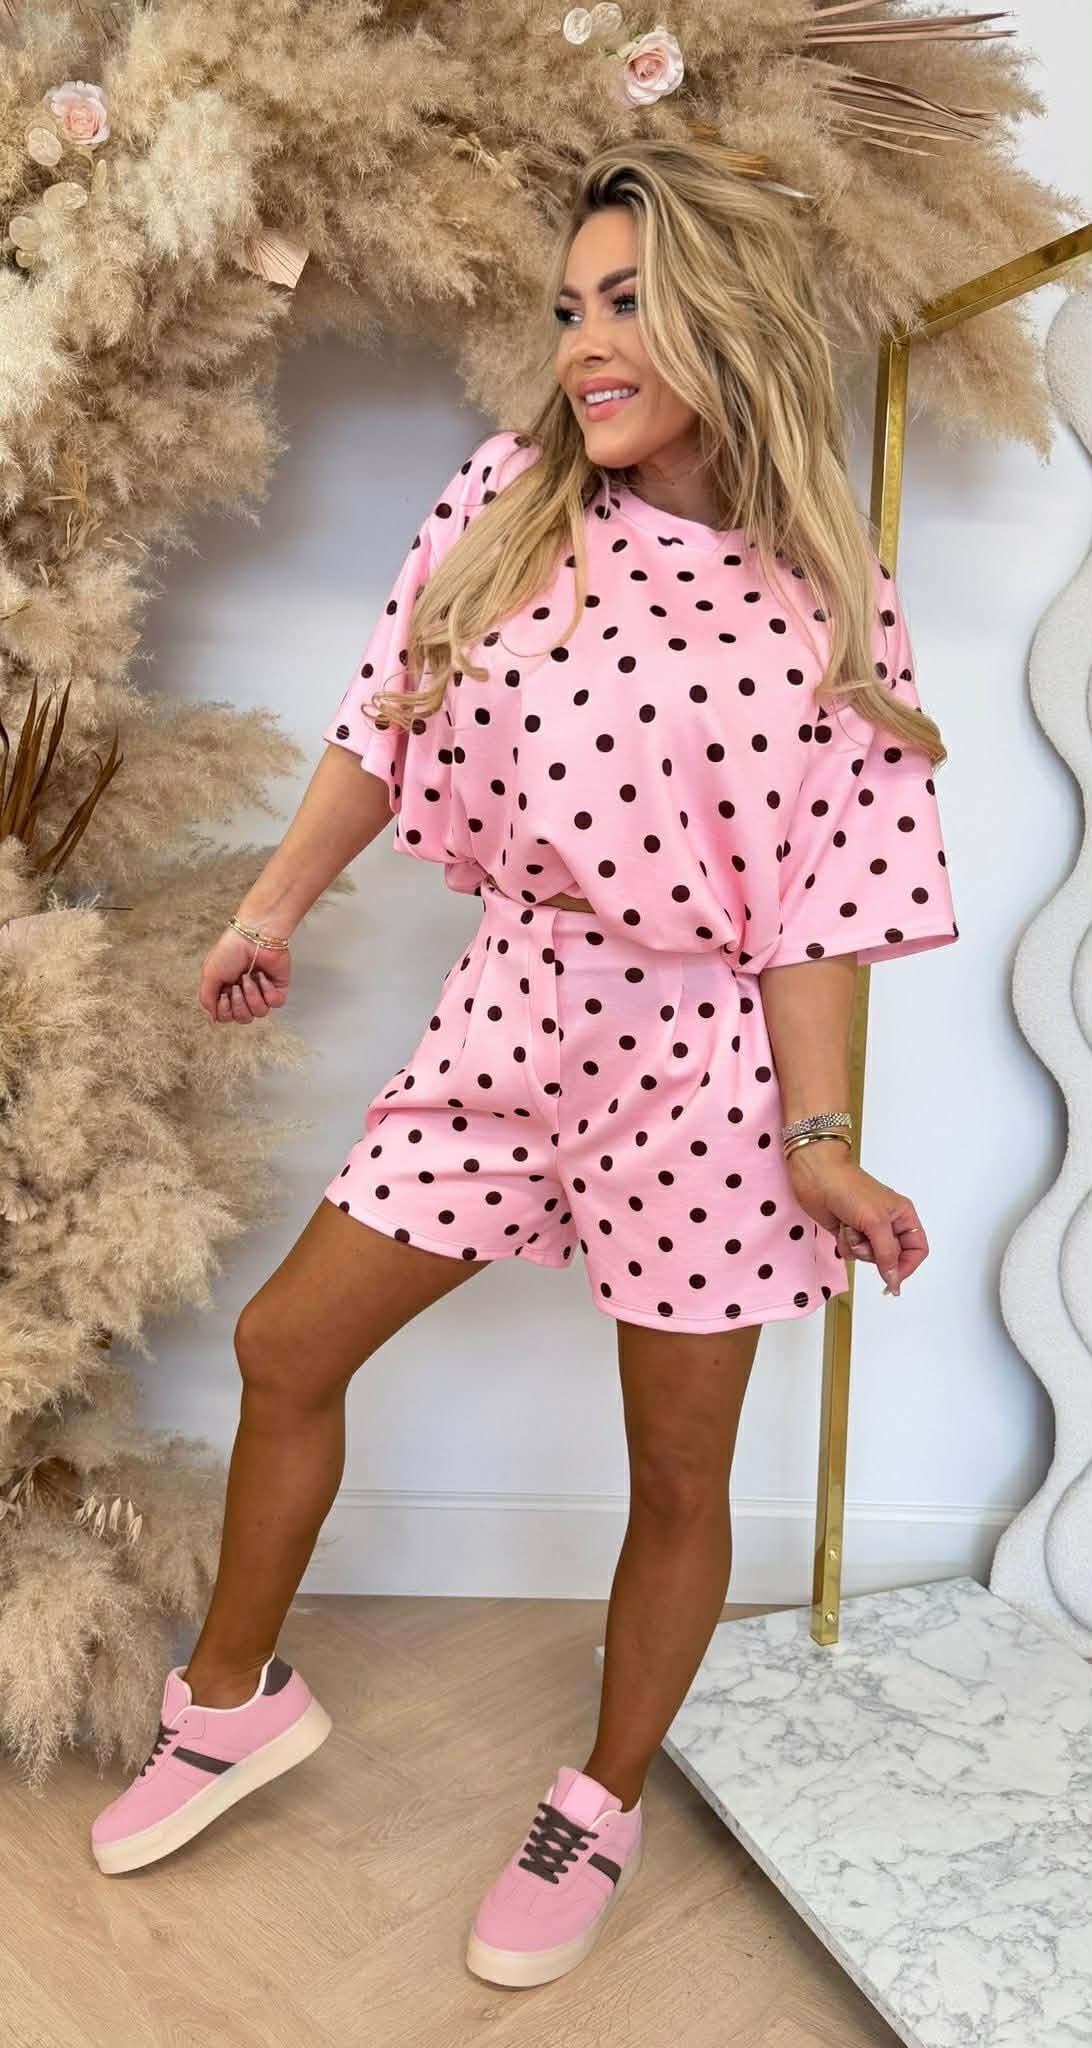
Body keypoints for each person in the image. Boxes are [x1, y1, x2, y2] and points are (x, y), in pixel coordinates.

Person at [91, 138, 959, 1987]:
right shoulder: (508, 497)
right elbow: (383, 720)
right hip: (513, 1003)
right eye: (572, 309)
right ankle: (231, 1700)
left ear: (730, 313)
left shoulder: (830, 595)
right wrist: (269, 909)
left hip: (708, 1067)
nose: (585, 345)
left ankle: (600, 1800)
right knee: (287, 1345)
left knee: (676, 1477)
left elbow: (821, 902)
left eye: (628, 301)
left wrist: (822, 1142)